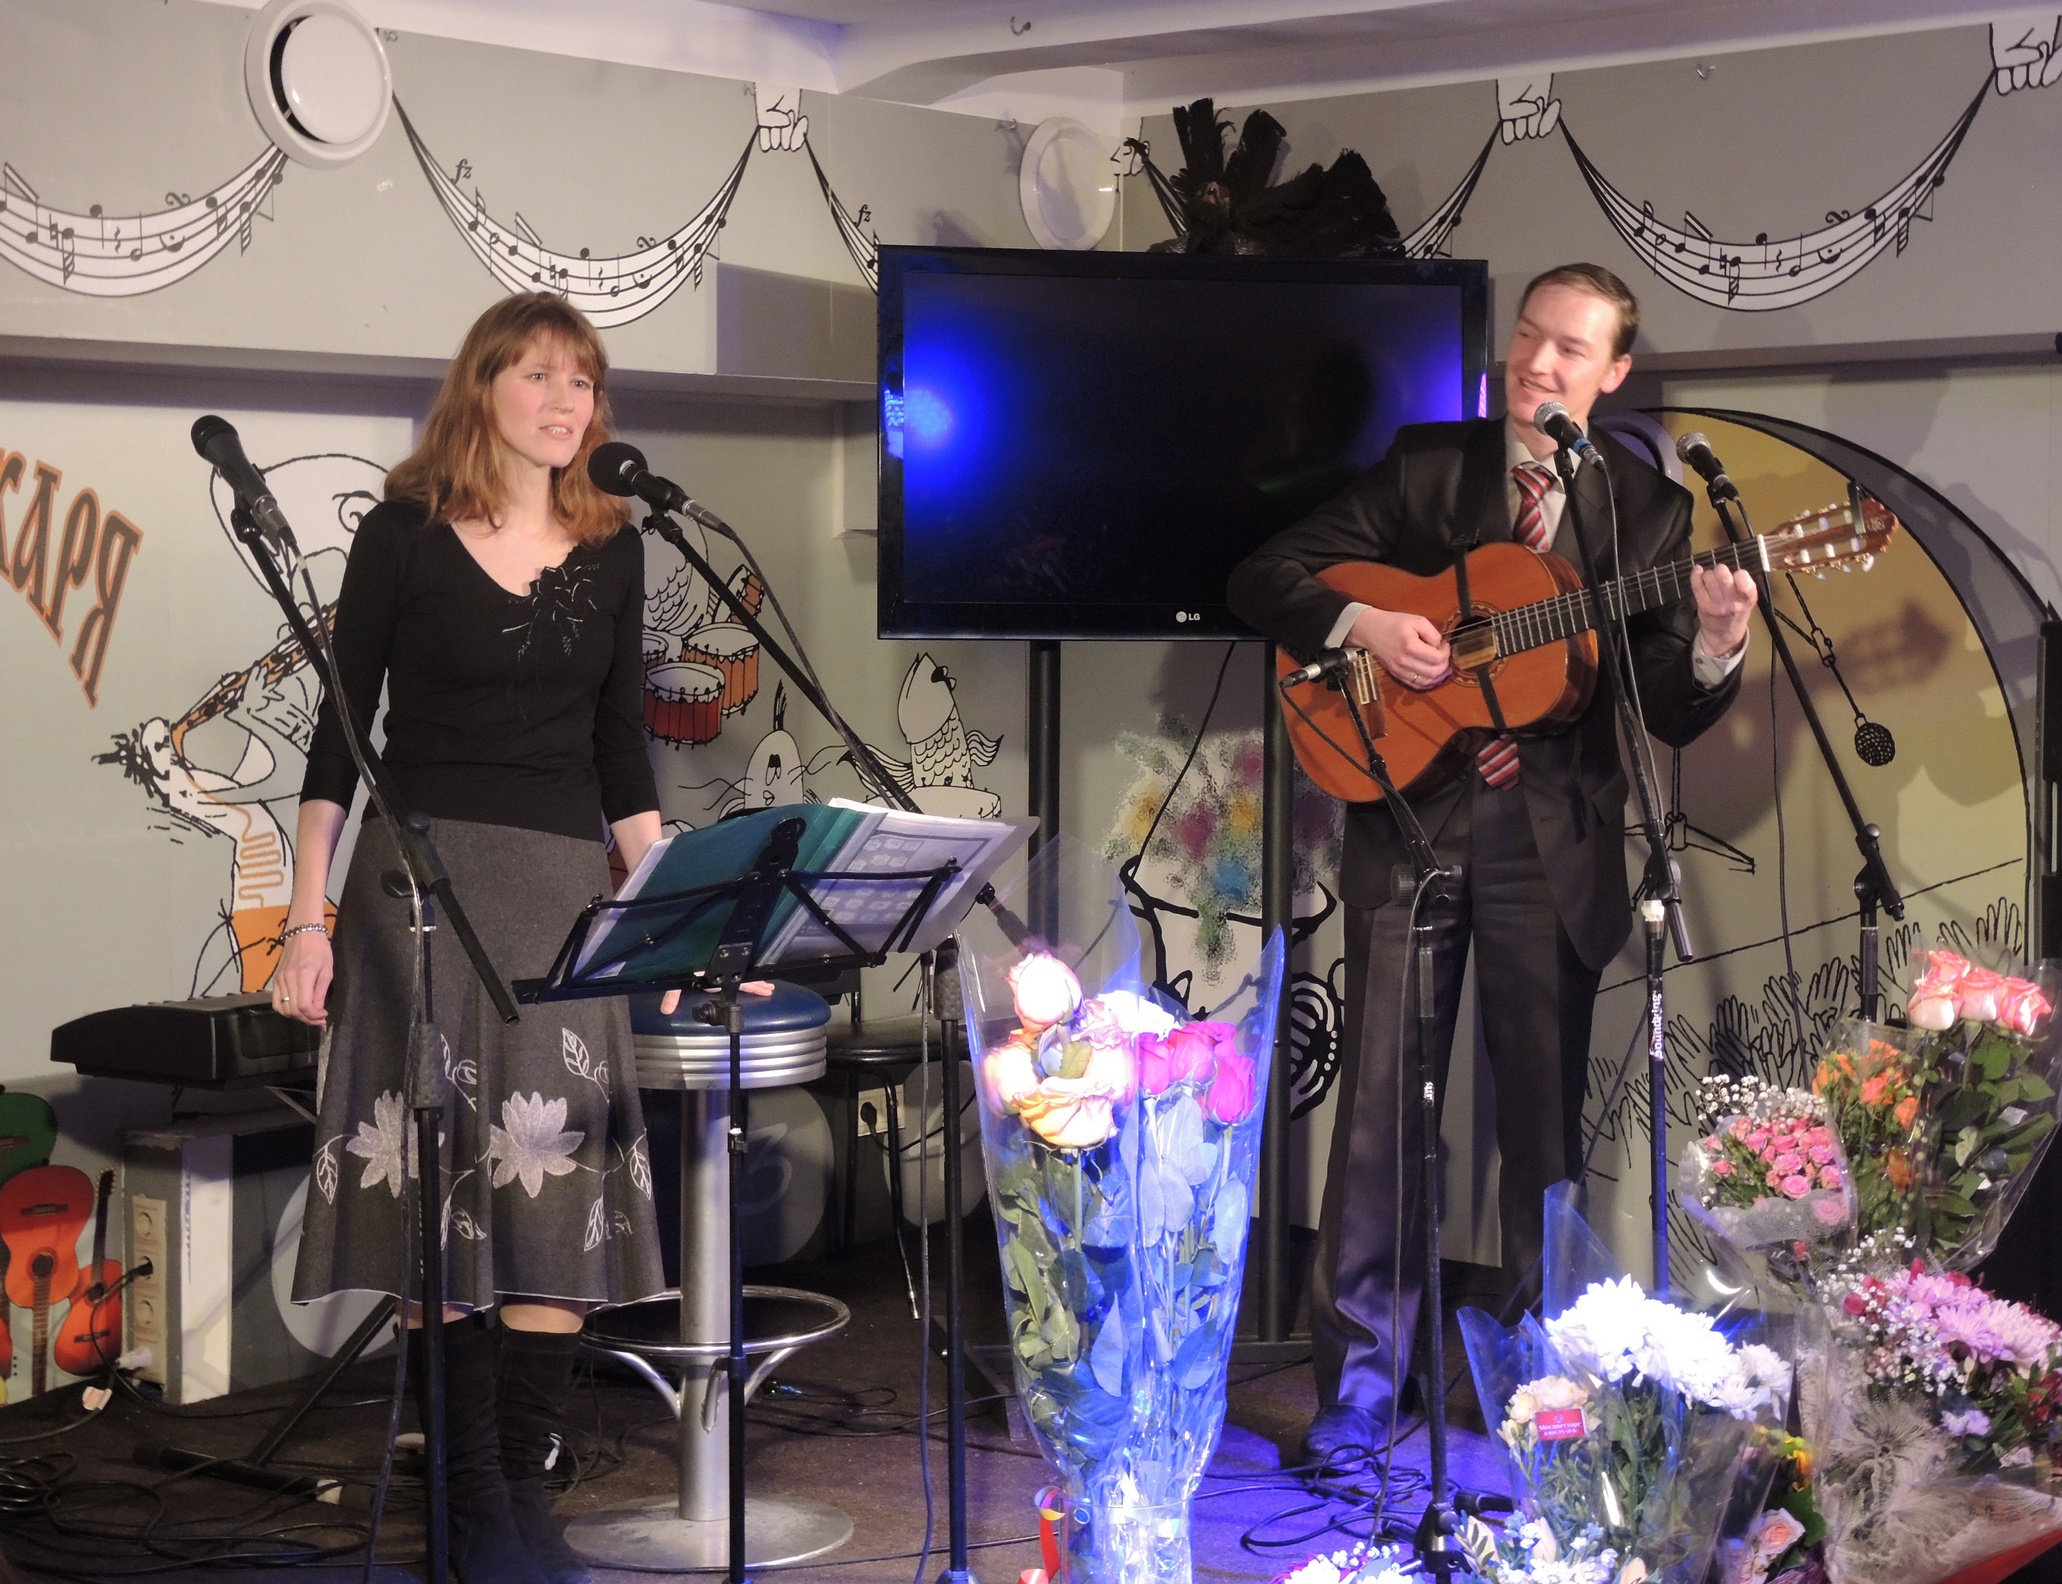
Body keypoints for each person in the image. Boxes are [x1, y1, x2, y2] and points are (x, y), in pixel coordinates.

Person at [1226, 263, 1758, 1464]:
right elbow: (1264, 577)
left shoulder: (1644, 512)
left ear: (1612, 372)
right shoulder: (1429, 466)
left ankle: (1538, 1395)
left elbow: (1657, 702)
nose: (1537, 363)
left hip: (1545, 842)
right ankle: (1359, 1395)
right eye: (1528, 336)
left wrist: (1717, 643)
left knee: (1541, 1137)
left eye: (1569, 348)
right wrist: (1369, 625)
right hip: (1410, 814)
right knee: (1377, 1120)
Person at [272, 293, 666, 1584]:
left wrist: (666, 911)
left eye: (581, 382)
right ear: (481, 388)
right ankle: (467, 1498)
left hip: (560, 894)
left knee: (555, 1195)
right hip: (418, 887)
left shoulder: (616, 549)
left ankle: (521, 1484)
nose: (564, 402)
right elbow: (339, 742)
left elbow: (623, 757)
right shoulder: (402, 533)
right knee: (439, 1200)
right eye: (537, 375)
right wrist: (307, 922)